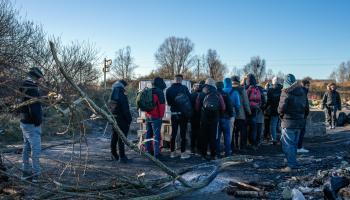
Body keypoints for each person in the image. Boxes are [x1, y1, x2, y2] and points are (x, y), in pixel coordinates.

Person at [278, 74, 309, 172]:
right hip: (299, 122)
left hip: (288, 121)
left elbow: (281, 108)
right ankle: (293, 162)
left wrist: (281, 115)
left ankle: (291, 164)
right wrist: (302, 117)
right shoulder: (302, 91)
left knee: (287, 144)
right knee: (294, 144)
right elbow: (307, 108)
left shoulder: (286, 92)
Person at [19, 67, 44, 182]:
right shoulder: (32, 88)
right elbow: (34, 108)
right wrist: (38, 121)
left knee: (27, 148)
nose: (40, 81)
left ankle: (25, 173)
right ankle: (36, 175)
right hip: (32, 123)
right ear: (36, 77)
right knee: (36, 149)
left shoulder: (23, 86)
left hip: (23, 121)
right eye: (40, 78)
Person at [196, 78, 226, 160]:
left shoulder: (201, 93)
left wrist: (200, 113)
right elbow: (223, 107)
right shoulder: (218, 93)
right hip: (215, 118)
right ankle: (213, 155)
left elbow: (197, 106)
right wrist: (220, 113)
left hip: (204, 118)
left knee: (204, 136)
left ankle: (203, 155)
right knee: (213, 136)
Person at [166, 74, 192, 159]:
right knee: (183, 134)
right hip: (183, 114)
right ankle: (183, 153)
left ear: (174, 80)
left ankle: (172, 153)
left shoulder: (169, 90)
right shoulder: (184, 88)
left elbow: (169, 103)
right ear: (181, 80)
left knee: (173, 133)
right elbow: (189, 99)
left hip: (173, 114)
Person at [109, 80, 132, 163]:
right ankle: (122, 157)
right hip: (122, 119)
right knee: (121, 137)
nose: (126, 88)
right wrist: (129, 119)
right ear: (123, 86)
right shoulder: (121, 94)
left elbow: (111, 108)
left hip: (114, 118)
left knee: (114, 136)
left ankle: (114, 154)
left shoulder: (113, 93)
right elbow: (125, 109)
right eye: (125, 86)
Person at [145, 77, 166, 159]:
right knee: (156, 135)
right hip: (156, 117)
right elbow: (161, 106)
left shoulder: (148, 91)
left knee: (148, 134)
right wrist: (161, 116)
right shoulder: (159, 92)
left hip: (148, 116)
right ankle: (156, 154)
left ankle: (147, 152)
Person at [230, 76, 251, 151]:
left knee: (232, 132)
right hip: (241, 115)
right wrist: (249, 112)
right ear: (238, 81)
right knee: (242, 132)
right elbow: (246, 103)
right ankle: (241, 147)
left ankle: (232, 146)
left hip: (231, 114)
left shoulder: (229, 89)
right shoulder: (242, 89)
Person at [245, 74, 265, 150]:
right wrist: (260, 107)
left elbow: (245, 100)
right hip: (257, 109)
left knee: (247, 128)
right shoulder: (259, 88)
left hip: (248, 110)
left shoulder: (246, 88)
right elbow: (263, 100)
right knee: (255, 127)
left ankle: (248, 142)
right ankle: (255, 143)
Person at [216, 81, 234, 157]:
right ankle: (227, 153)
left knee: (217, 137)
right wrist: (231, 115)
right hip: (226, 118)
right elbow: (230, 106)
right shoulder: (226, 94)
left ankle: (218, 153)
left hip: (216, 118)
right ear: (222, 86)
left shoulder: (214, 94)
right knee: (227, 136)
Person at [266, 77, 282, 145]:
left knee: (273, 125)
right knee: (282, 126)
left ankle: (274, 139)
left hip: (273, 110)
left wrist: (264, 108)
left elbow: (268, 101)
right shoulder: (282, 89)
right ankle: (283, 139)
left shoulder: (270, 90)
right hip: (282, 109)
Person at [190, 81, 205, 154]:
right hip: (201, 116)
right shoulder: (204, 95)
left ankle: (192, 148)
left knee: (193, 132)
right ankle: (199, 148)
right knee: (200, 133)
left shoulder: (191, 95)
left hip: (193, 116)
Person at [297, 78, 311, 153]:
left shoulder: (300, 91)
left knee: (299, 131)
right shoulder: (303, 92)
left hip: (300, 114)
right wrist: (305, 112)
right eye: (308, 85)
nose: (308, 87)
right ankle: (299, 147)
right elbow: (303, 104)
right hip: (302, 115)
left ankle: (298, 146)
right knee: (301, 131)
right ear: (304, 85)